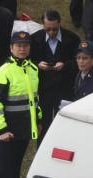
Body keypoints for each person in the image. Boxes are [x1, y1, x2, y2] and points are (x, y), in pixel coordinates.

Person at [0, 31, 41, 178]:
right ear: (11, 48)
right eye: (18, 45)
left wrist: (37, 120)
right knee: (4, 170)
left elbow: (35, 99)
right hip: (9, 130)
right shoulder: (3, 71)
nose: (22, 49)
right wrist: (2, 131)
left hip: (24, 128)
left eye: (25, 45)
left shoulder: (33, 69)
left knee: (15, 168)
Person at [30, 10, 79, 147]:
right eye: (48, 29)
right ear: (42, 25)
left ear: (60, 24)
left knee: (63, 123)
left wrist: (65, 65)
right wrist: (37, 65)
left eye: (55, 29)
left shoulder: (72, 39)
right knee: (43, 124)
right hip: (43, 90)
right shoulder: (34, 39)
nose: (51, 32)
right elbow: (27, 63)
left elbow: (79, 63)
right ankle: (42, 150)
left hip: (64, 89)